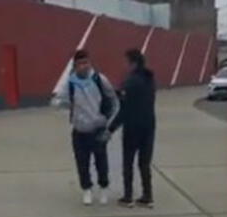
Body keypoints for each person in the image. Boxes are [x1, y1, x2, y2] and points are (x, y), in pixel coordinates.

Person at [52, 49, 120, 206]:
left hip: (98, 129)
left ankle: (103, 188)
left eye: (86, 62)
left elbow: (113, 99)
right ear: (75, 66)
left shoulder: (99, 79)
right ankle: (87, 190)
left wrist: (108, 121)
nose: (84, 66)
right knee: (82, 163)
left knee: (101, 162)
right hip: (79, 131)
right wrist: (60, 103)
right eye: (80, 64)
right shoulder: (70, 83)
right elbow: (59, 100)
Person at [108, 49, 156, 208]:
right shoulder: (150, 79)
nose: (125, 65)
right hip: (149, 126)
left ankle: (128, 197)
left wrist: (111, 128)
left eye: (126, 62)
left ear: (133, 63)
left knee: (128, 162)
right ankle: (147, 196)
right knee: (144, 163)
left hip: (132, 127)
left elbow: (125, 109)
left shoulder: (131, 81)